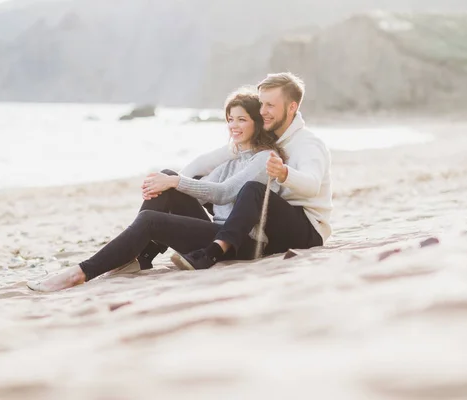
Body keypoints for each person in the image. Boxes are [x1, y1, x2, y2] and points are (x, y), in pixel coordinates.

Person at [27, 88, 287, 292]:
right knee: (169, 176)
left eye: (242, 119)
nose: (234, 126)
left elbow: (224, 193)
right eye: (230, 119)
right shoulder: (233, 157)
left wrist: (174, 183)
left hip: (238, 243)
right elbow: (203, 189)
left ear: (257, 122)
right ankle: (137, 257)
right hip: (215, 230)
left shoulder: (265, 158)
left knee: (155, 213)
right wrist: (168, 183)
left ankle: (80, 273)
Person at [155, 72, 333, 271]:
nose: (262, 111)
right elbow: (206, 161)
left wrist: (284, 173)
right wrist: (173, 183)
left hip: (306, 228)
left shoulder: (308, 144)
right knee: (193, 180)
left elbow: (312, 185)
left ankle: (214, 251)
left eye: (270, 105)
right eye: (261, 104)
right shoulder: (267, 135)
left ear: (292, 107)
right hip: (265, 219)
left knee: (252, 189)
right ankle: (160, 243)